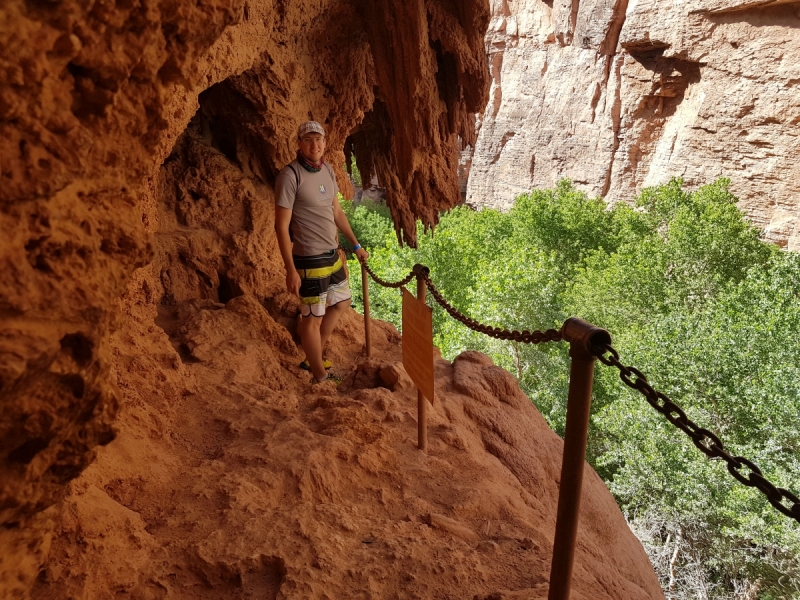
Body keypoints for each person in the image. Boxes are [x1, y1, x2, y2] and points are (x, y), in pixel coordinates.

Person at [274, 121, 369, 383]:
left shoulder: (327, 169)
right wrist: (290, 270)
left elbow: (336, 211)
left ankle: (312, 355)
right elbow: (281, 227)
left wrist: (355, 244)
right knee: (311, 319)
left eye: (319, 140)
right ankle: (319, 375)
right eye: (308, 140)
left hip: (331, 253)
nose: (314, 145)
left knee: (341, 303)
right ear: (299, 144)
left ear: (325, 143)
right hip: (309, 259)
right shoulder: (289, 176)